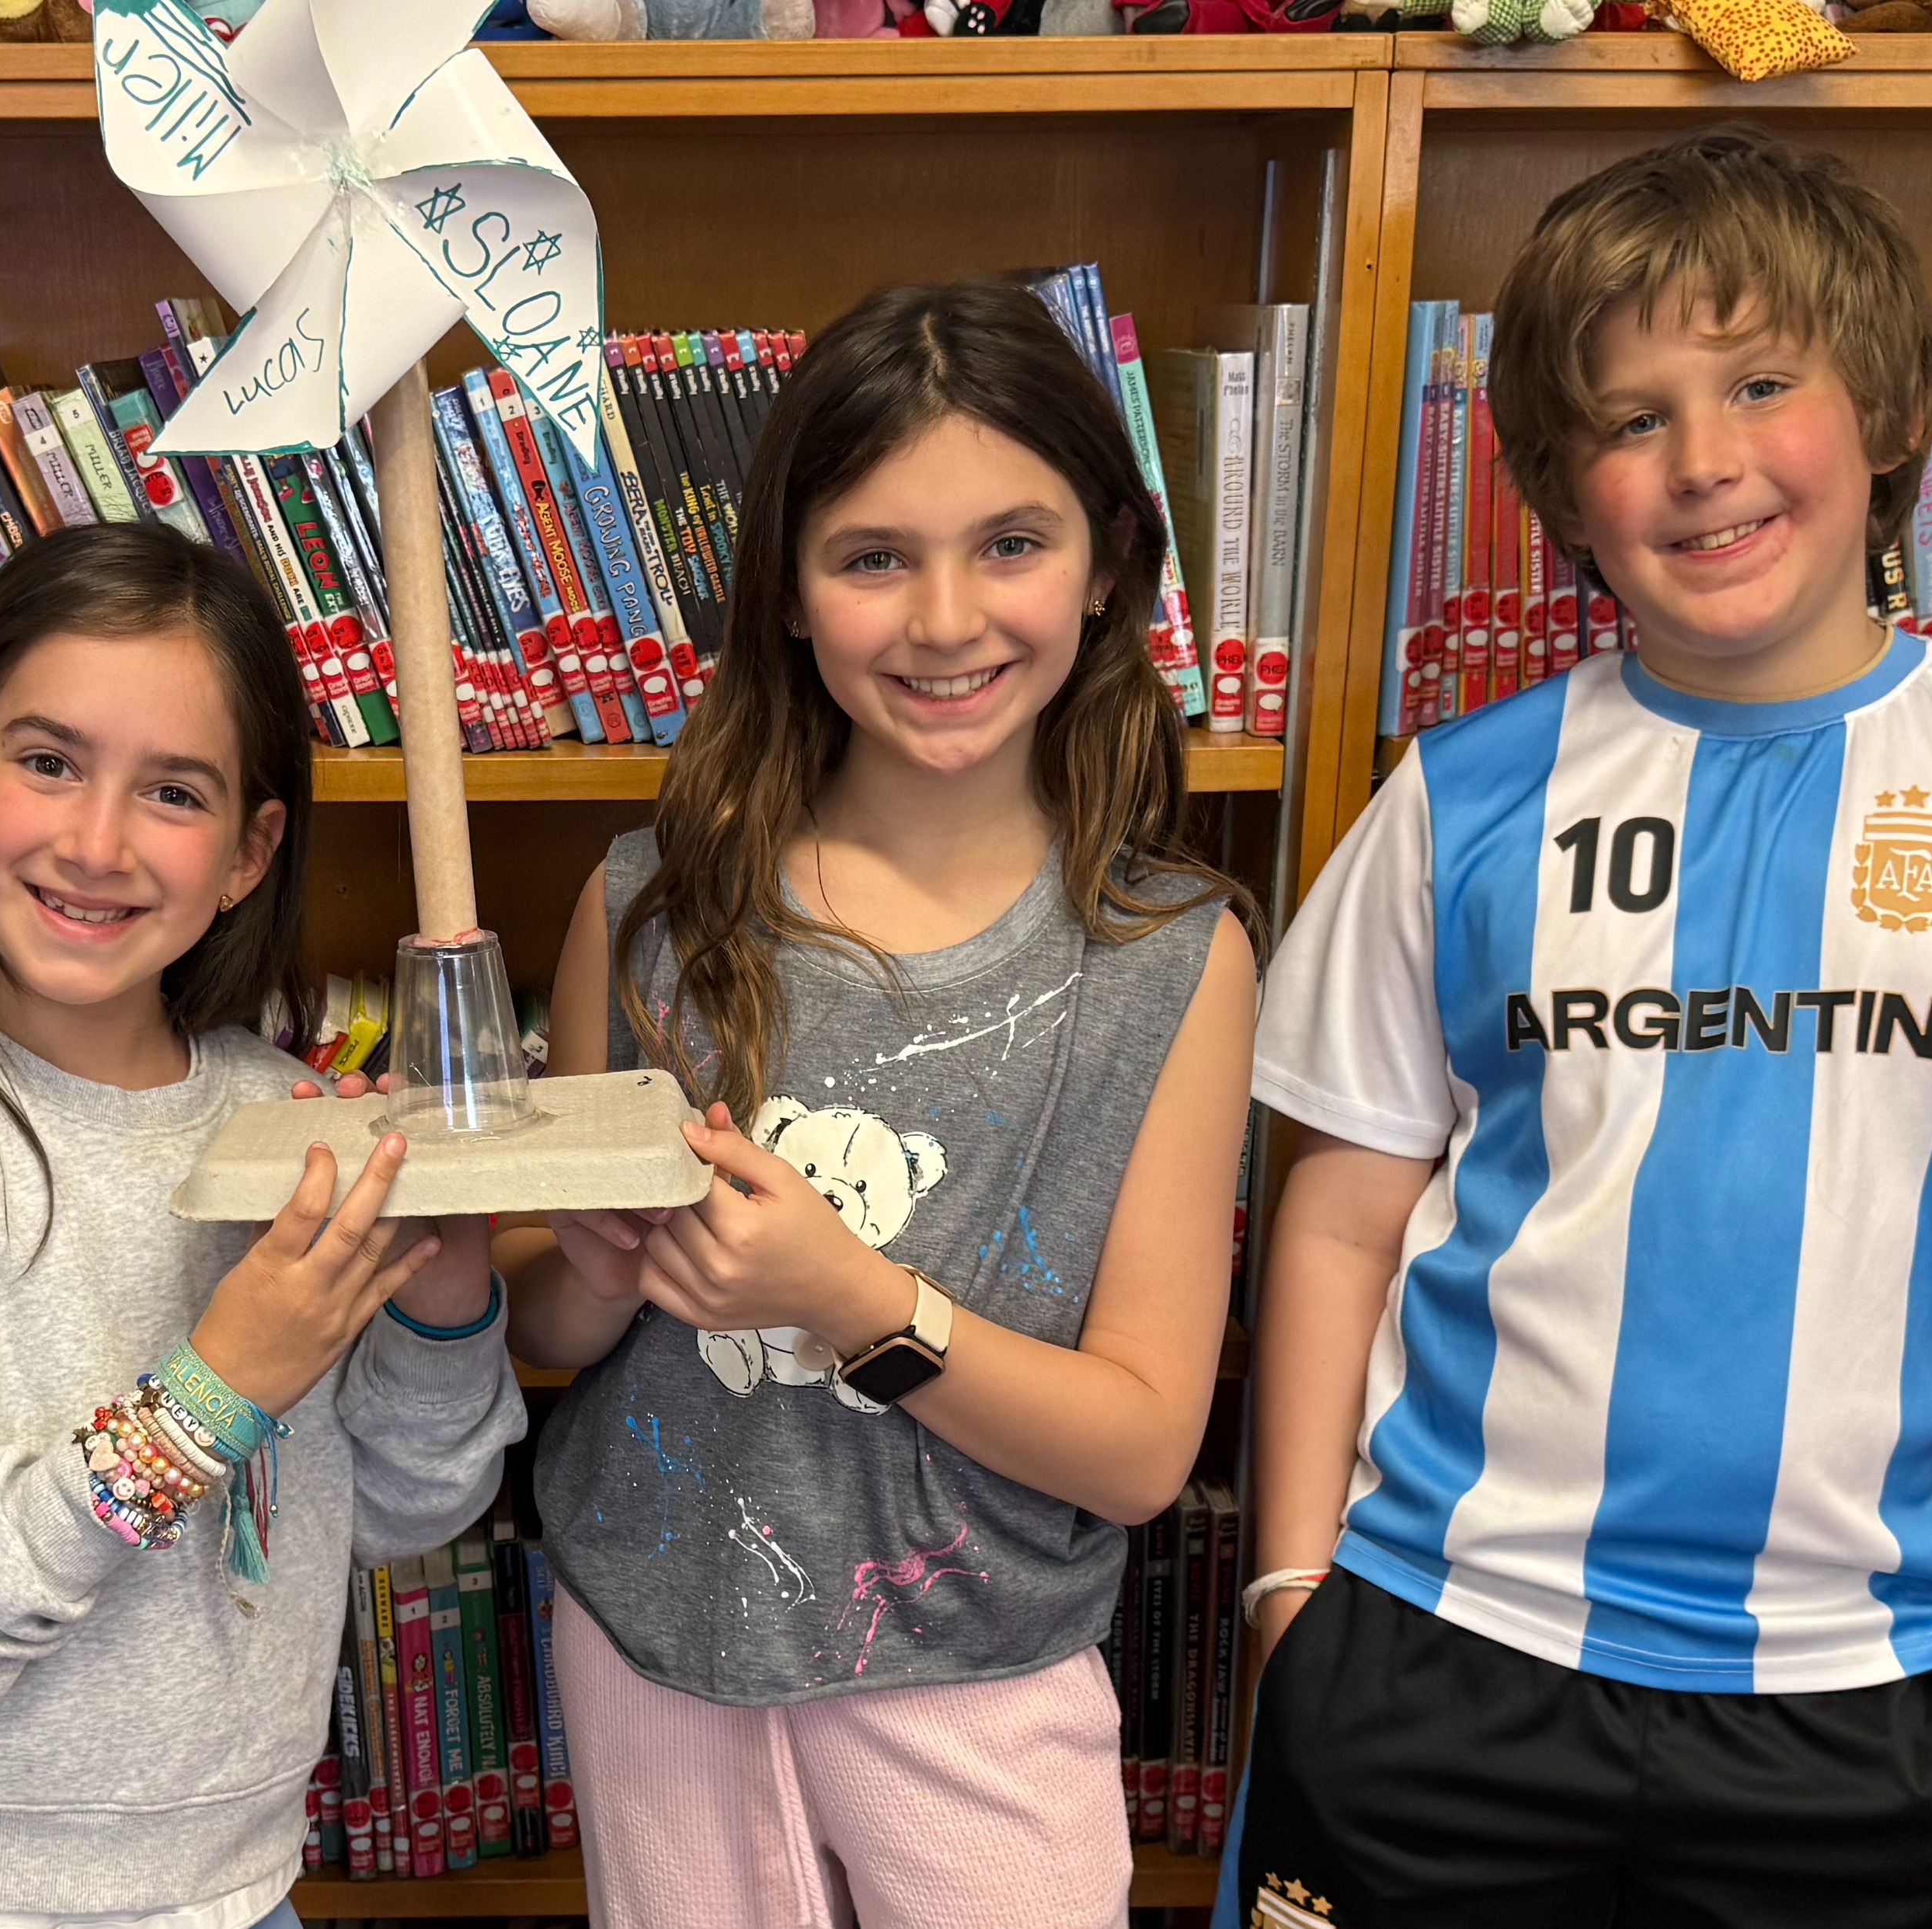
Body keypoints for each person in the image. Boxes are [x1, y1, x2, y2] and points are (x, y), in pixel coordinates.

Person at [1228, 127, 1932, 1927]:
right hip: (1442, 1658)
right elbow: (1343, 1217)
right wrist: (1287, 1599)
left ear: (1888, 413)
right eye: (1631, 416)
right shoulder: (1461, 796)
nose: (1705, 461)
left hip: (1878, 1703)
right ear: (1564, 488)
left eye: (1759, 383)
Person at [508, 281, 1263, 1927]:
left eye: (1011, 544)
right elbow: (559, 1324)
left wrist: (852, 1302)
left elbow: (1142, 1448)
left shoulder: (1170, 962)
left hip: (976, 1675)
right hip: (654, 1654)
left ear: (1111, 565)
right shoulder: (647, 908)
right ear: (785, 589)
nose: (943, 620)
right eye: (872, 557)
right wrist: (593, 1255)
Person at [0, 521, 524, 1929]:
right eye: (48, 763)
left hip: (225, 1889)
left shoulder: (284, 1122)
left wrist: (438, 1300)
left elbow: (403, 1508)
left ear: (248, 850)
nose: (95, 842)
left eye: (172, 792)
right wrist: (214, 1392)